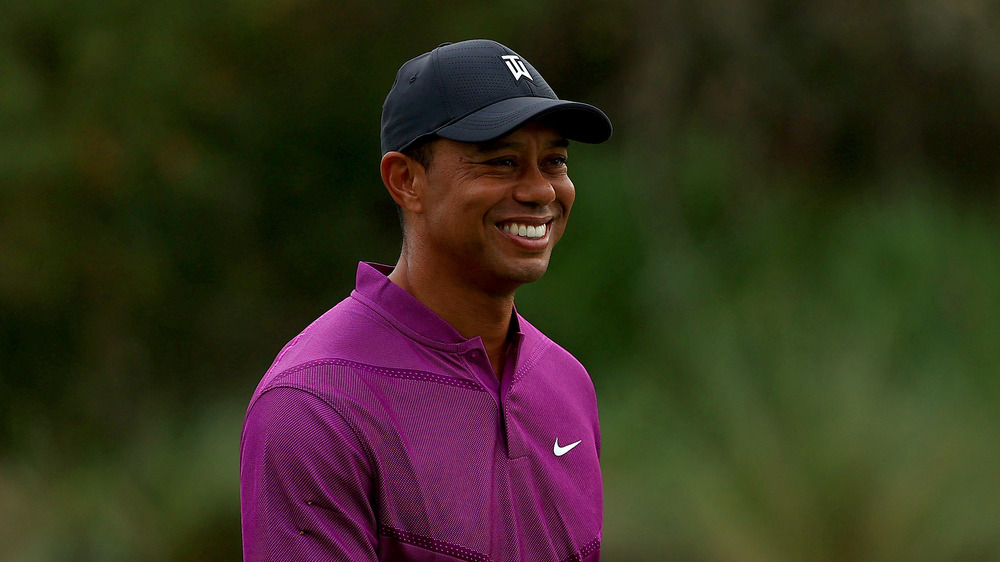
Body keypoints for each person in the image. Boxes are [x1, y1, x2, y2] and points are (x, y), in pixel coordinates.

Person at [240, 39, 613, 561]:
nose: (541, 191)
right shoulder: (315, 404)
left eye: (553, 162)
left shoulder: (566, 383)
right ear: (406, 181)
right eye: (502, 163)